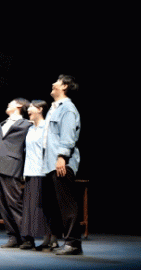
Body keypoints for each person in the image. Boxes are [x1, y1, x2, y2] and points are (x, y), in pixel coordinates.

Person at [42, 75, 83, 255]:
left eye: (57, 82)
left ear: (64, 86)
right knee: (57, 205)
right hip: (51, 163)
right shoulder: (55, 108)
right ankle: (65, 241)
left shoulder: (67, 109)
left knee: (67, 204)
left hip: (62, 163)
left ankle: (73, 243)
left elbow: (68, 135)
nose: (53, 84)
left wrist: (61, 157)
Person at [0, 98, 33, 248]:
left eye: (11, 103)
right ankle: (13, 237)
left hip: (12, 166)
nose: (8, 104)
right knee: (2, 205)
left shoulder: (27, 124)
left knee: (14, 203)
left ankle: (27, 238)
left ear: (19, 105)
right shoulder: (3, 123)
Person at [19, 100, 55, 251]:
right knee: (32, 207)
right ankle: (36, 239)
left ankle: (51, 239)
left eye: (31, 108)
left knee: (44, 206)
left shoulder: (47, 127)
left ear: (40, 109)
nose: (28, 110)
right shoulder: (30, 129)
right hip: (30, 171)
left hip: (42, 172)